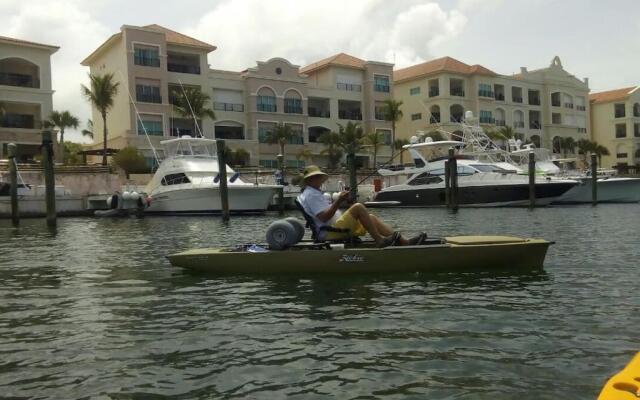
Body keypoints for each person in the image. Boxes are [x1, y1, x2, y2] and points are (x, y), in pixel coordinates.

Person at [297, 165, 425, 247]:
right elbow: (324, 218)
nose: (319, 179)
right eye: (316, 177)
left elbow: (328, 213)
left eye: (319, 177)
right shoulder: (311, 195)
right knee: (358, 207)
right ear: (309, 180)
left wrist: (343, 201)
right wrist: (338, 200)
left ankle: (405, 242)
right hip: (329, 233)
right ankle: (380, 241)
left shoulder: (313, 193)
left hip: (334, 227)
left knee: (371, 218)